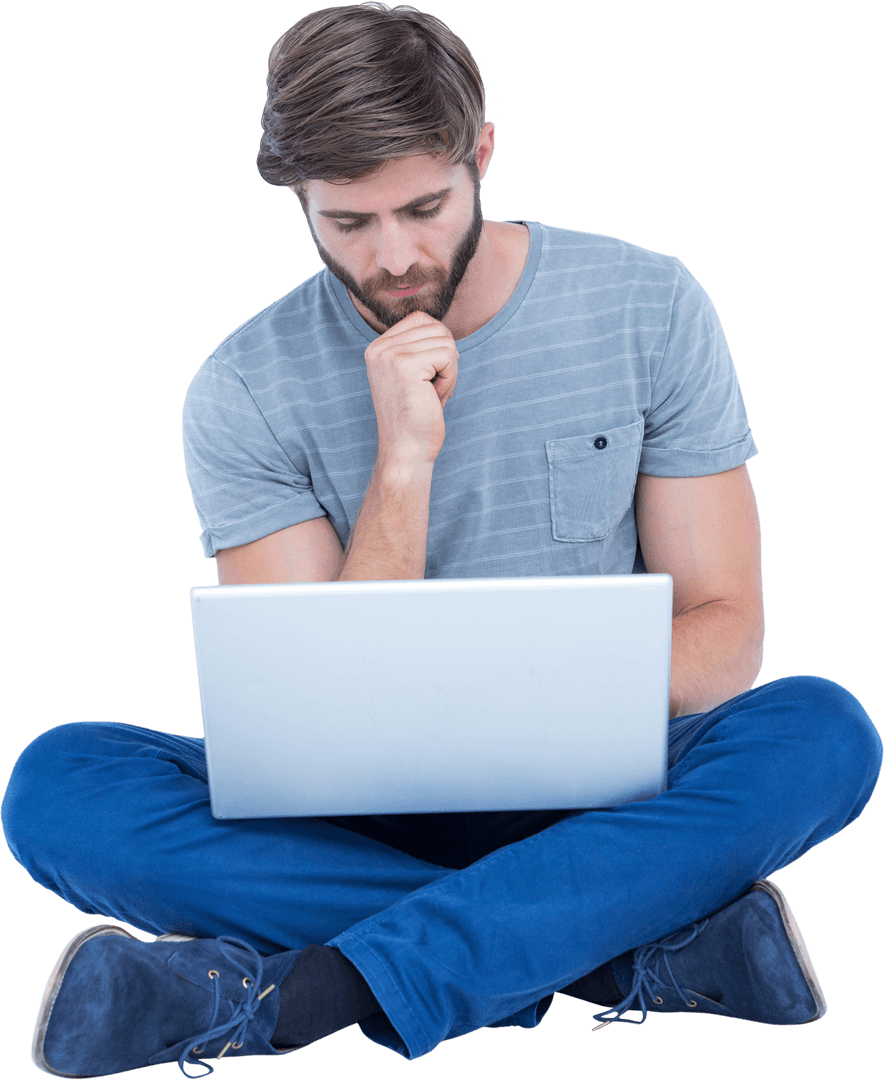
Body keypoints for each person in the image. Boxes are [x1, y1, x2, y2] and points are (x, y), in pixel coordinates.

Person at [2, 4, 880, 1078]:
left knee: (820, 733)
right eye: (347, 223)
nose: (394, 258)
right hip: (365, 819)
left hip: (606, 790)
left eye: (422, 207)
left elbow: (724, 638)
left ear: (481, 154)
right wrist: (403, 459)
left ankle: (306, 992)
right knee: (63, 787)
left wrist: (508, 697)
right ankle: (611, 950)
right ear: (298, 201)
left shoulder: (647, 304)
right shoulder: (242, 386)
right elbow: (320, 710)